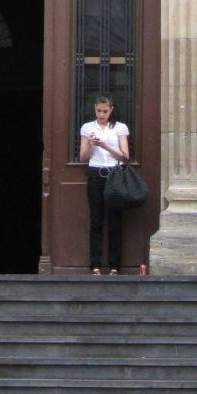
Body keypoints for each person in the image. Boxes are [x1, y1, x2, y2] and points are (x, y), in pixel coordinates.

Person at [79, 95, 130, 276]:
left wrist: (106, 146)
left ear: (111, 110)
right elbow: (83, 158)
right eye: (99, 111)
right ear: (95, 109)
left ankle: (115, 266)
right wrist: (91, 146)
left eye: (105, 111)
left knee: (115, 220)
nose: (102, 115)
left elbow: (125, 156)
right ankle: (95, 265)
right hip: (95, 175)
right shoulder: (87, 128)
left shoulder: (120, 128)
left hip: (114, 175)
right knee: (96, 220)